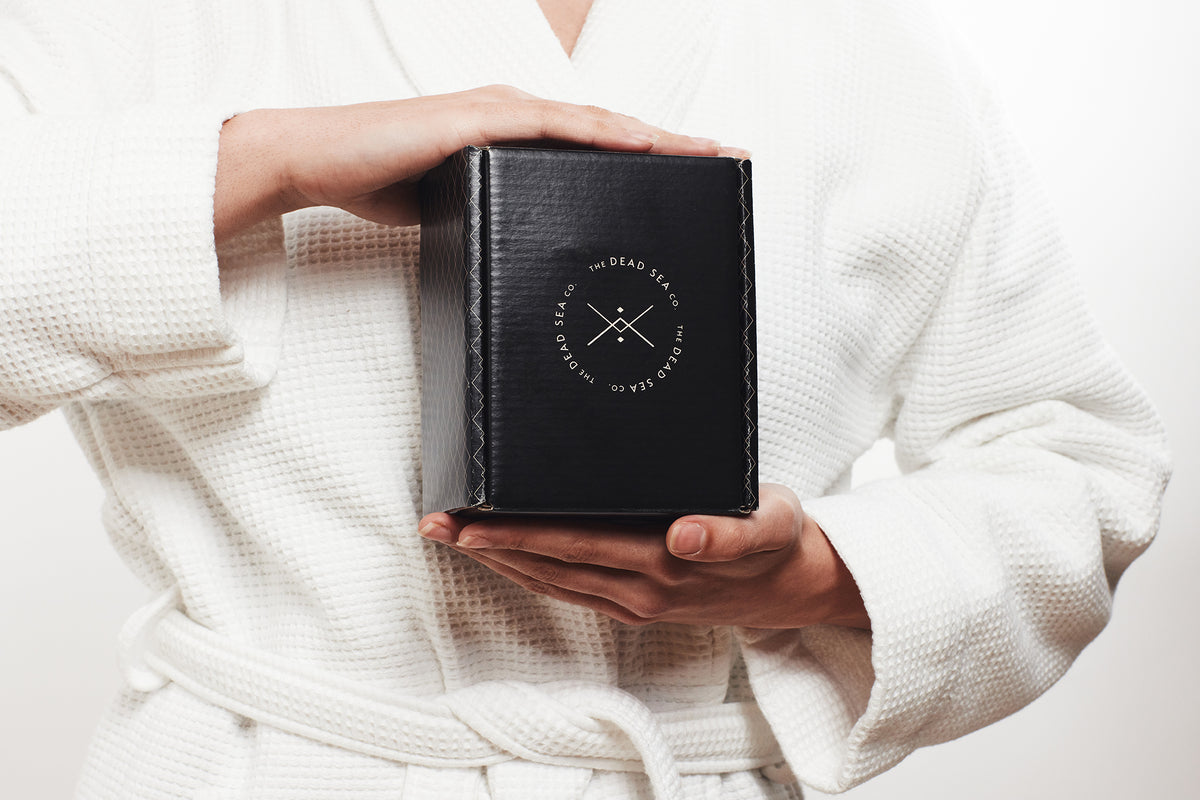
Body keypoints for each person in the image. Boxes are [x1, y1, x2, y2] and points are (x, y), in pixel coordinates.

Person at [0, 0, 1169, 798]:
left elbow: (1074, 456)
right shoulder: (115, 23)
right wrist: (260, 163)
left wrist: (816, 573)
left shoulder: (866, 50)